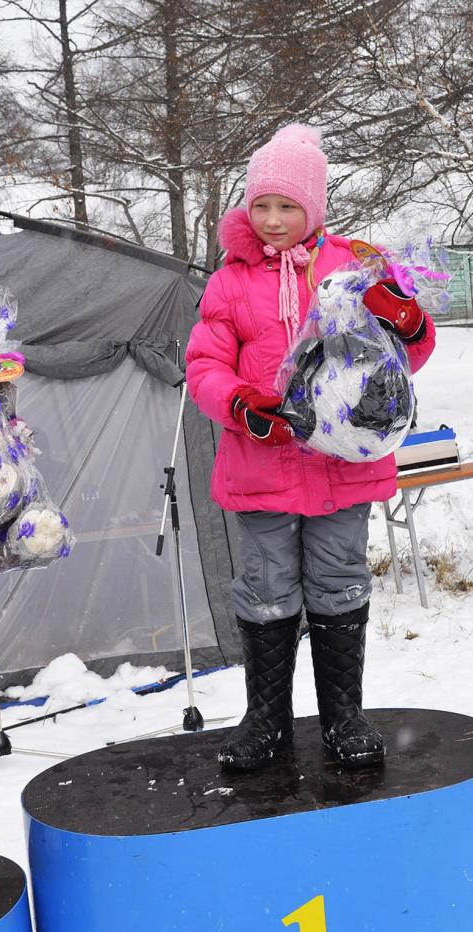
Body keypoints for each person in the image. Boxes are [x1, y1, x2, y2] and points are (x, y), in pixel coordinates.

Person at [185, 124, 436, 770]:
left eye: (287, 206)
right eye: (261, 205)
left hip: (341, 469)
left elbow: (399, 360)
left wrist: (408, 320)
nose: (272, 220)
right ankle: (266, 719)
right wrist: (241, 405)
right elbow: (205, 367)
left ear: (314, 208)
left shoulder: (354, 266)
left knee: (339, 581)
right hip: (261, 464)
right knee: (266, 586)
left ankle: (343, 716)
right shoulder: (230, 282)